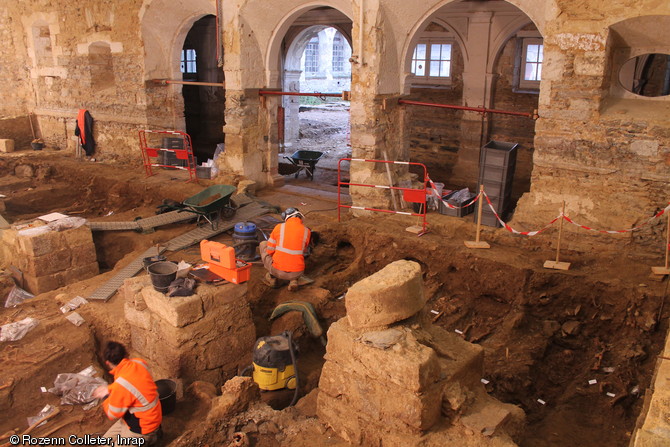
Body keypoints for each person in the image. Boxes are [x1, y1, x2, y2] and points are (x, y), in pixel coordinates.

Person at [92, 341, 162, 446]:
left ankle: (151, 438)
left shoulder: (121, 385)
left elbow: (113, 413)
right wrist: (110, 389)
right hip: (141, 417)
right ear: (126, 354)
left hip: (144, 427)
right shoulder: (139, 363)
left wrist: (106, 396)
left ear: (107, 363)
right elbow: (130, 385)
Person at [260, 207, 311, 291]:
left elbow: (270, 250)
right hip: (297, 273)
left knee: (263, 244)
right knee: (296, 257)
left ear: (286, 218)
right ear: (300, 216)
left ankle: (272, 278)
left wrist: (277, 256)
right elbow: (304, 251)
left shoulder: (279, 227)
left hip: (277, 271)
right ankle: (293, 281)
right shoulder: (307, 231)